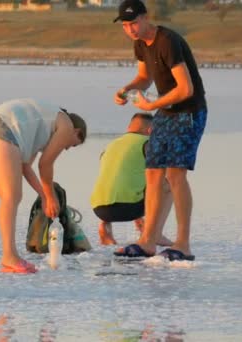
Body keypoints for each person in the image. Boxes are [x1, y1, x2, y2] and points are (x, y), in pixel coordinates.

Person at [113, 0, 207, 261]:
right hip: (166, 111)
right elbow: (145, 78)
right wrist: (126, 89)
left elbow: (185, 89)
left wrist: (152, 104)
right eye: (125, 25)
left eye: (133, 23)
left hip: (189, 112)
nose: (130, 29)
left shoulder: (167, 41)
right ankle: (147, 242)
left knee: (175, 176)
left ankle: (183, 244)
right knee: (153, 173)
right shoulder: (140, 43)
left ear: (145, 18)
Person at [0, 98, 86, 273]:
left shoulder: (39, 131)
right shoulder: (67, 126)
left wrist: (43, 195)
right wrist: (50, 196)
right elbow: (45, 165)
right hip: (2, 130)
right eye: (71, 144)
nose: (66, 148)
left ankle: (8, 257)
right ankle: (9, 256)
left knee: (8, 197)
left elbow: (25, 166)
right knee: (12, 197)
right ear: (76, 131)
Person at [90, 113, 173, 246]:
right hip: (128, 208)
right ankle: (155, 234)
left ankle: (105, 227)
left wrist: (137, 218)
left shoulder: (111, 145)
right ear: (150, 130)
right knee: (170, 184)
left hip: (99, 209)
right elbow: (159, 178)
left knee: (113, 178)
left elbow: (122, 178)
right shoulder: (148, 144)